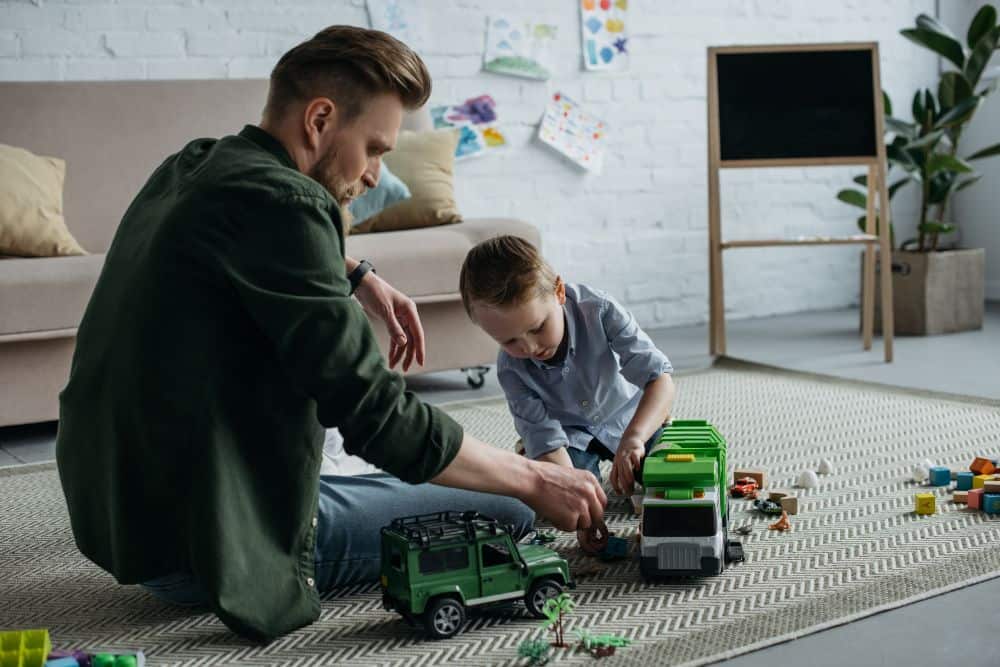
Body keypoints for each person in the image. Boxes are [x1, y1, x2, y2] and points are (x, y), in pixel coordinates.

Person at [55, 26, 605, 642]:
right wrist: (533, 478)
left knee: (437, 469)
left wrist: (355, 272)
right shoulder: (288, 204)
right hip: (203, 542)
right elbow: (377, 417)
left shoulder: (196, 163)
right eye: (374, 147)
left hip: (118, 510)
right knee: (506, 506)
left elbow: (232, 248)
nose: (374, 175)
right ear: (319, 118)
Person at [459, 235, 676, 552]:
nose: (530, 348)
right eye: (510, 341)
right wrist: (586, 514)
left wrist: (635, 437)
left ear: (559, 292)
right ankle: (535, 460)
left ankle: (641, 448)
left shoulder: (600, 310)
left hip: (629, 417)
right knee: (555, 493)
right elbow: (547, 440)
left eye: (537, 327)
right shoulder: (510, 369)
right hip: (569, 436)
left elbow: (660, 380)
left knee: (670, 472)